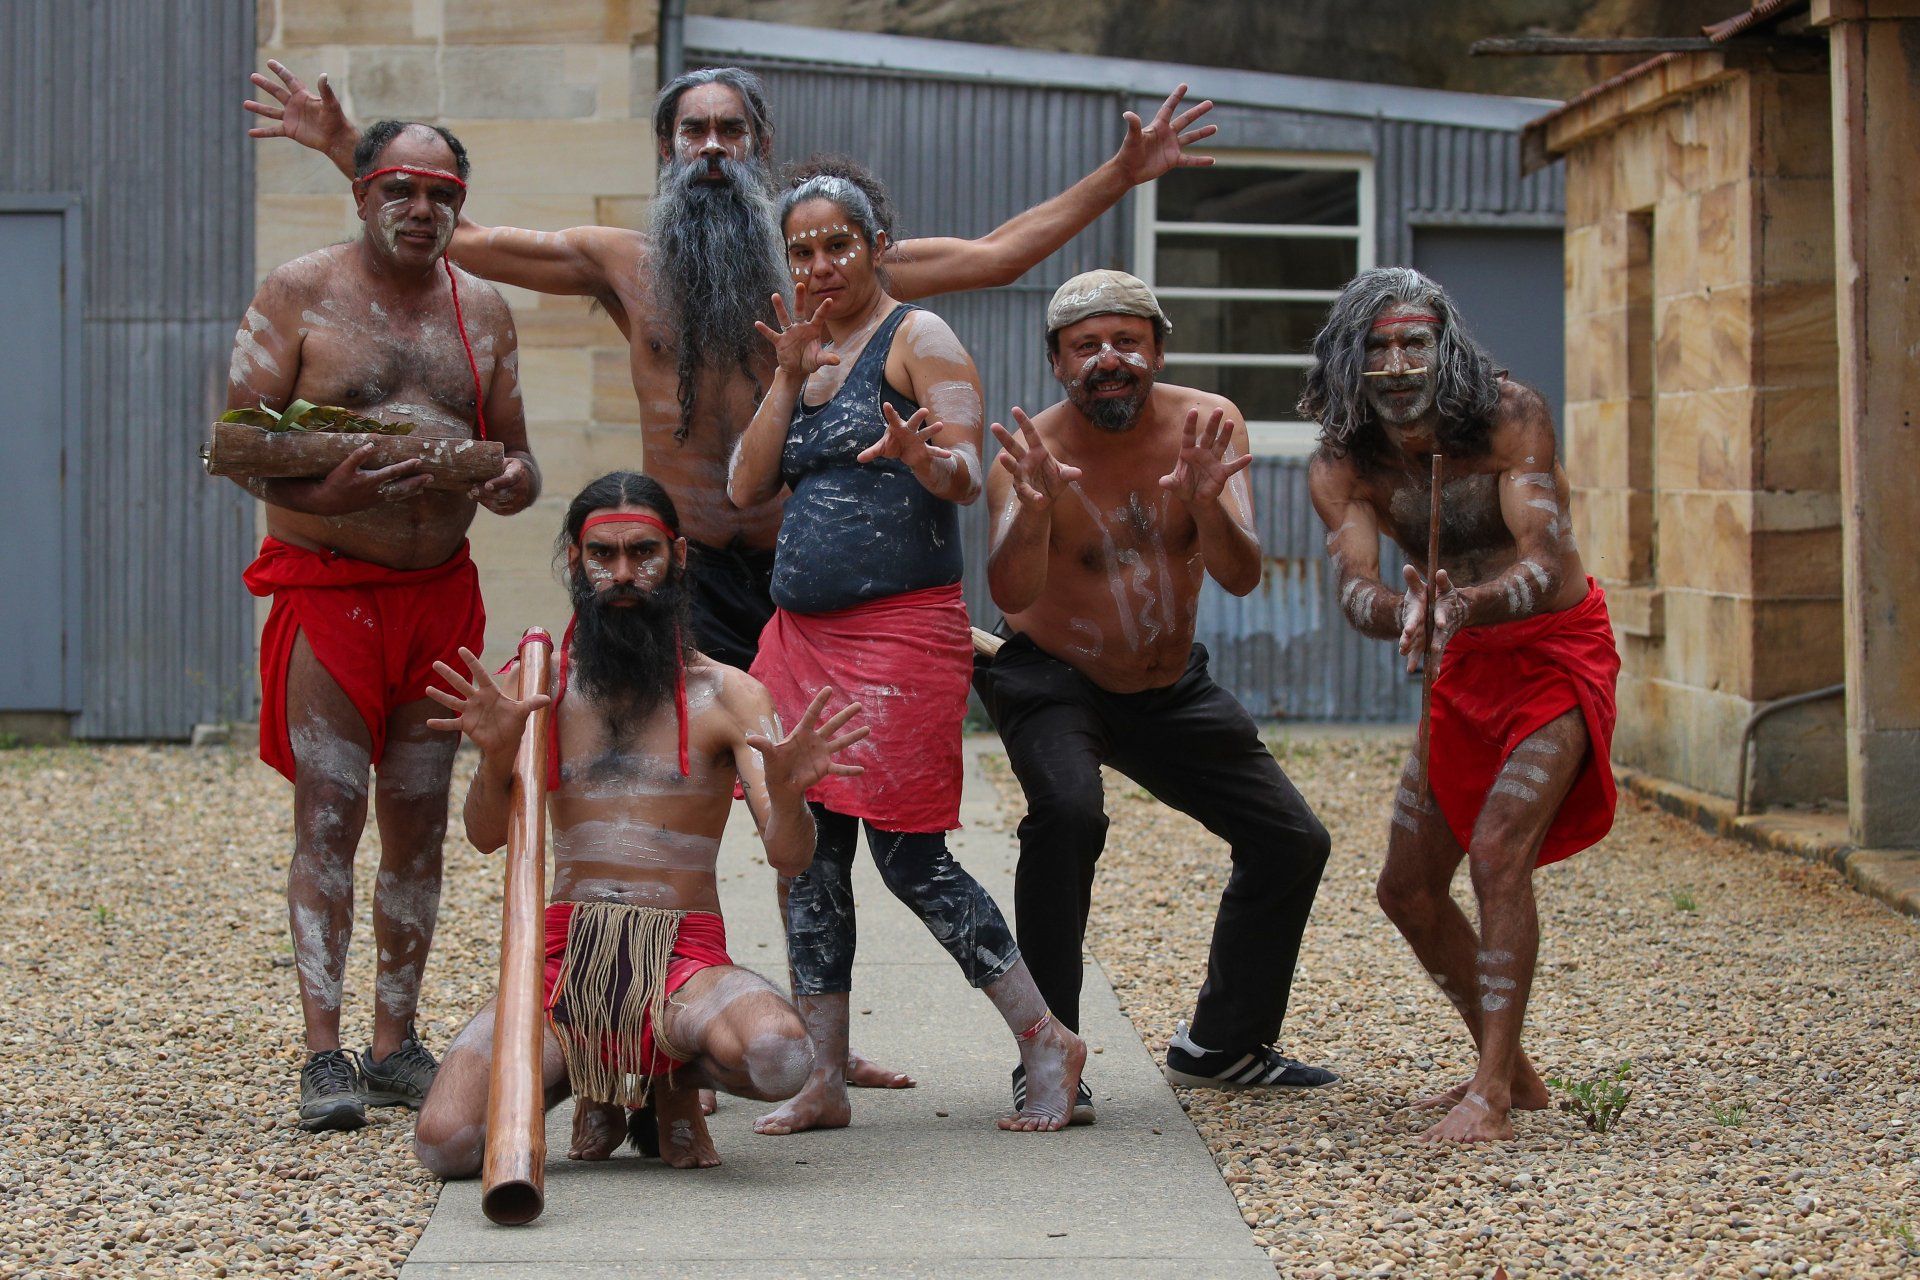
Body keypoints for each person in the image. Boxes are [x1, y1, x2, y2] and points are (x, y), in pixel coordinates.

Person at [243, 62, 1217, 672]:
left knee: (825, 802)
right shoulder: (620, 262)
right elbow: (461, 235)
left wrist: (1120, 174)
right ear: (665, 151)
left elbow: (1001, 254)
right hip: (686, 570)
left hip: (813, 565)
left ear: (760, 149)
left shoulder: (835, 261)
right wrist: (346, 150)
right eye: (690, 132)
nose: (710, 146)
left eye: (730, 131)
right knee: (666, 777)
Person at [725, 162, 1087, 1135]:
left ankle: (1045, 1036)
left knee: (910, 857)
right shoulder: (802, 351)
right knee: (808, 854)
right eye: (800, 248)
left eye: (837, 244)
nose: (818, 263)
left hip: (900, 636)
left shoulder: (916, 336)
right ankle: (825, 1074)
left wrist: (926, 459)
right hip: (800, 640)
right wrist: (783, 380)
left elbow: (968, 473)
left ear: (878, 247)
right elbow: (744, 486)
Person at [413, 472, 868, 1173]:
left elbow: (789, 856)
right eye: (603, 555)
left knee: (781, 1057)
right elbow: (483, 834)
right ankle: (592, 1078)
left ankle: (670, 1078)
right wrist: (496, 754)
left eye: (643, 553)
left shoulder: (731, 695)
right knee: (446, 1144)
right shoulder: (537, 687)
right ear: (575, 560)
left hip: (684, 963)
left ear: (678, 557)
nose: (624, 574)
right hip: (565, 964)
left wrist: (790, 792)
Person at [224, 120, 537, 1131]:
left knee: (418, 816)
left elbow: (521, 458)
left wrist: (507, 482)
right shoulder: (298, 292)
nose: (421, 209)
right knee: (330, 808)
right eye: (401, 188)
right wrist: (328, 480)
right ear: (362, 193)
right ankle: (325, 1052)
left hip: (438, 590)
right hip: (331, 588)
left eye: (443, 192)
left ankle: (395, 1041)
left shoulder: (482, 310)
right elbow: (233, 445)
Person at [974, 270, 1337, 1105]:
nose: (1109, 359)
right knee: (1068, 815)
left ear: (1157, 351)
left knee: (1292, 839)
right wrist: (1031, 510)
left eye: (1126, 341)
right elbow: (1013, 592)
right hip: (1054, 676)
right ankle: (1050, 1054)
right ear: (1059, 364)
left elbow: (1242, 576)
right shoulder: (1030, 455)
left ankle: (1223, 1043)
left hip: (1168, 684)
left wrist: (1210, 505)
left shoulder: (1208, 427)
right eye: (1086, 346)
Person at [1301, 266, 1621, 1143]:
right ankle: (1513, 1072)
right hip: (1463, 666)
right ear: (1349, 361)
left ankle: (1489, 1094)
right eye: (1379, 348)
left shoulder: (1510, 416)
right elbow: (1356, 585)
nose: (1400, 364)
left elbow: (1548, 559)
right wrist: (1402, 611)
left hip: (1552, 654)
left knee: (1496, 854)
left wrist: (1466, 605)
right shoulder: (1343, 460)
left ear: (1446, 348)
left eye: (1416, 342)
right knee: (1406, 889)